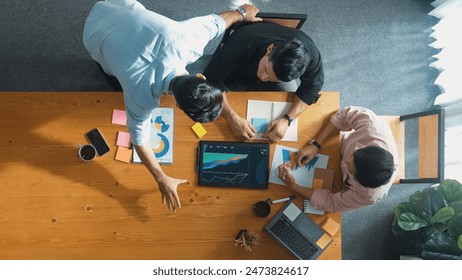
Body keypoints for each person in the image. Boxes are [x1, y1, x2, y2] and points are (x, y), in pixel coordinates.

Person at [83, 0, 261, 212]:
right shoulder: (140, 95)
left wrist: (242, 12)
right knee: (113, 77)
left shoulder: (188, 39)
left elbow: (220, 21)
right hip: (94, 37)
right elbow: (139, 140)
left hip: (114, 5)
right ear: (176, 105)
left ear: (200, 76)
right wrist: (161, 177)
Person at [203, 19, 324, 142]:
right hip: (238, 72)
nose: (264, 78)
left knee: (289, 112)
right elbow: (210, 81)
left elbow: (312, 87)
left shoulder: (311, 56)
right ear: (270, 49)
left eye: (271, 77)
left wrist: (288, 119)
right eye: (265, 70)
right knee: (208, 106)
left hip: (275, 79)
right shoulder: (239, 44)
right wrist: (232, 118)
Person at [277, 106, 399, 212]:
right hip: (337, 143)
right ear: (367, 148)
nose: (345, 163)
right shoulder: (372, 127)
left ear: (359, 181)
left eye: (350, 169)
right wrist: (316, 145)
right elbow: (344, 115)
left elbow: (332, 203)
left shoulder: (369, 195)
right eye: (352, 157)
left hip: (340, 182)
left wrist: (294, 186)